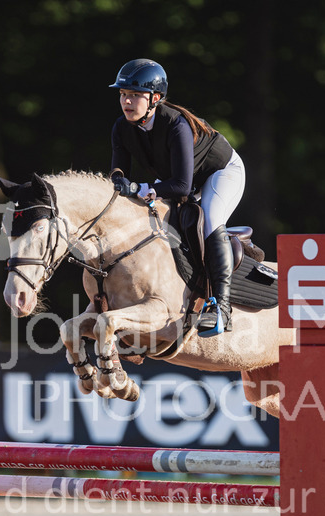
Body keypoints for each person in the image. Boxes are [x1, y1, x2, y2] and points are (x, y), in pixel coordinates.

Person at [108, 58, 245, 337]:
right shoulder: (122, 127)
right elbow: (119, 170)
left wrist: (139, 188)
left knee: (210, 221)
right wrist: (120, 182)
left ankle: (221, 307)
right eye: (123, 94)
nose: (127, 102)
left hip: (220, 173)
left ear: (155, 98)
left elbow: (182, 187)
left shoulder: (176, 124)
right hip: (179, 178)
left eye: (135, 95)